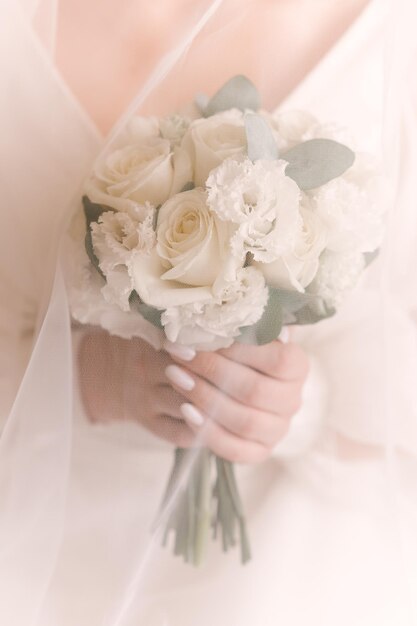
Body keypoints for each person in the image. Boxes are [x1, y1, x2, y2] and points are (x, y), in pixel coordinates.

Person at [1, 1, 417, 625]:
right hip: (35, 558)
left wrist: (295, 405)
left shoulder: (390, 29)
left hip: (294, 577)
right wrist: (87, 377)